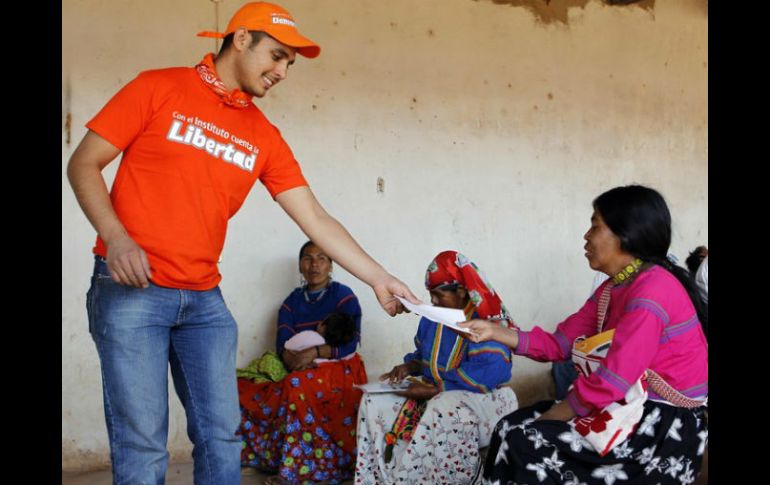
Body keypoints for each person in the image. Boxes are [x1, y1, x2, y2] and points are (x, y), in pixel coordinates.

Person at [66, 3, 417, 484]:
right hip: (132, 289)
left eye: (289, 63)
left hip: (203, 300)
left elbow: (314, 216)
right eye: (276, 55)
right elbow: (83, 163)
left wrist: (379, 278)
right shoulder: (158, 87)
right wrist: (116, 237)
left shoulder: (262, 134)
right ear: (241, 39)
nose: (282, 71)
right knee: (143, 442)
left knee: (223, 435)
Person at [462, 185, 708, 484]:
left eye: (595, 226)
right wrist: (496, 332)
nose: (586, 236)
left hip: (661, 428)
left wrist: (556, 415)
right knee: (508, 427)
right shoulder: (612, 289)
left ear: (625, 235)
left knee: (526, 442)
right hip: (625, 409)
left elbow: (613, 380)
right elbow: (559, 344)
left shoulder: (652, 290)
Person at [355, 250, 520, 485]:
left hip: (484, 399)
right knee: (374, 400)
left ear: (461, 291)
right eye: (431, 295)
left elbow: (488, 375)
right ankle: (382, 478)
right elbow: (423, 357)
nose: (432, 301)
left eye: (438, 295)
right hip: (435, 393)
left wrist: (435, 390)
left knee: (444, 406)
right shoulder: (432, 318)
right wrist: (407, 367)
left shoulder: (488, 322)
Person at [238, 241, 366, 483]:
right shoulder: (291, 302)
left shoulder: (343, 297)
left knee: (298, 384)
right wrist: (293, 359)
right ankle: (262, 459)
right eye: (307, 258)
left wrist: (316, 353)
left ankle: (299, 469)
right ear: (300, 265)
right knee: (241, 385)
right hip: (298, 365)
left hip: (340, 367)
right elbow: (283, 342)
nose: (314, 264)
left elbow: (351, 342)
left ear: (331, 265)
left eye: (322, 258)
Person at [284, 310, 357, 364]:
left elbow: (287, 345)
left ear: (323, 327)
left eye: (322, 321)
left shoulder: (310, 335)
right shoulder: (340, 353)